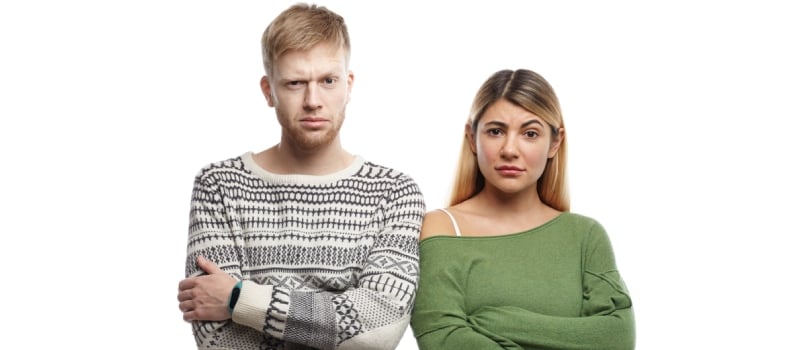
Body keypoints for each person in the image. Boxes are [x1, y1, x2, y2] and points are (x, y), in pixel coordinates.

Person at [176, 3, 425, 349]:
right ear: (269, 91)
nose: (313, 100)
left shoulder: (394, 192)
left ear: (348, 85)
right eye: (295, 83)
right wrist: (334, 321)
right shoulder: (219, 186)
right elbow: (217, 337)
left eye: (328, 81)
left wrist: (238, 299)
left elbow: (378, 330)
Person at [409, 69, 635, 349]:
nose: (510, 149)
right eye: (495, 131)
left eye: (530, 133)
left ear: (555, 142)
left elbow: (616, 338)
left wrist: (496, 321)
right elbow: (441, 336)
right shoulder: (441, 228)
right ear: (471, 137)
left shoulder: (584, 236)